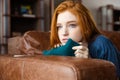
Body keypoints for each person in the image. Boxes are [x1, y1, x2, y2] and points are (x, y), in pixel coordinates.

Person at [19, 0, 120, 79]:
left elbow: (116, 76)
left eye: (72, 25)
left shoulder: (101, 44)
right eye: (59, 27)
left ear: (86, 26)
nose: (64, 33)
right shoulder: (63, 46)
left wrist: (89, 62)